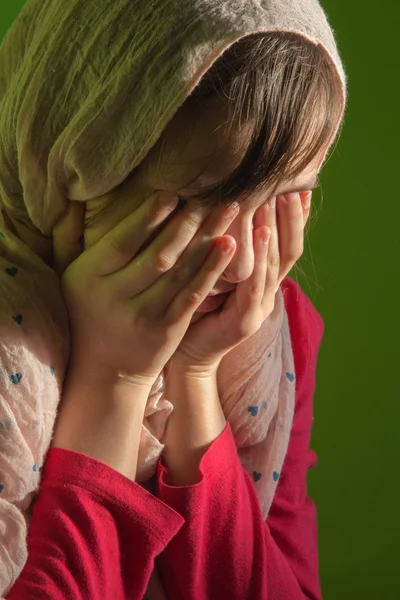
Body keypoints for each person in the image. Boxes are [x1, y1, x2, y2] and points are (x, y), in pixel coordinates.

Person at [0, 0, 347, 598]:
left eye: (282, 198)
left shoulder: (269, 328)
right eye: (198, 200)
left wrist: (198, 378)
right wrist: (113, 382)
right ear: (71, 162)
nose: (239, 261)